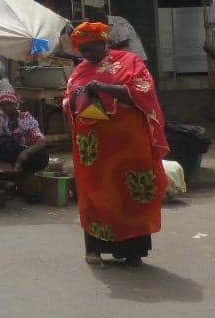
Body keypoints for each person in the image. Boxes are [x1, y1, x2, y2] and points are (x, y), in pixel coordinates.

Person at [63, 21, 168, 268]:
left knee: (133, 193)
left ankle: (133, 252)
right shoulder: (80, 70)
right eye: (84, 51)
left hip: (130, 144)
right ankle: (95, 250)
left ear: (104, 42)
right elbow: (68, 100)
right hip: (95, 147)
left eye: (92, 48)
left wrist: (104, 88)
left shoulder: (131, 62)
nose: (88, 55)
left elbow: (144, 92)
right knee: (95, 194)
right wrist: (77, 98)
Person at [0, 91, 48, 174]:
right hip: (15, 151)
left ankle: (9, 171)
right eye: (3, 105)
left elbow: (41, 142)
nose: (6, 108)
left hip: (31, 152)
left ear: (15, 105)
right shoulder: (4, 119)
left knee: (7, 146)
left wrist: (25, 153)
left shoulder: (25, 119)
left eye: (9, 104)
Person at [84, 0, 148, 63]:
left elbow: (124, 42)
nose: (90, 17)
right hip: (120, 62)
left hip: (135, 60)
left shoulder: (119, 21)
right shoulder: (99, 28)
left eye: (91, 12)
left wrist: (103, 52)